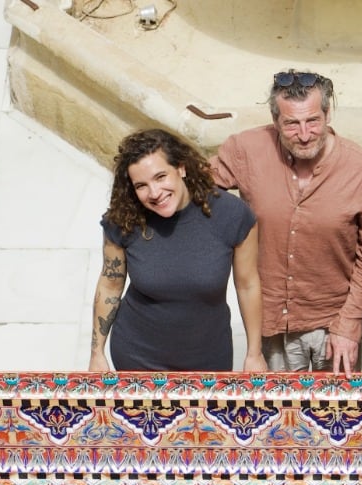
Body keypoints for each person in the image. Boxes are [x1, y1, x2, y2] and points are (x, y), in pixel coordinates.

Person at [210, 70, 362, 373]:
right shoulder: (245, 150)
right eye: (291, 124)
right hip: (270, 326)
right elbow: (190, 190)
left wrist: (350, 324)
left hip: (335, 326)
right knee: (275, 418)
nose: (304, 134)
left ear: (328, 114)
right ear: (275, 120)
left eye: (313, 121)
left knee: (336, 419)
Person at [89, 129, 264, 373]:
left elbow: (248, 285)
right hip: (136, 357)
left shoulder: (231, 215)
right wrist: (97, 353)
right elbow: (110, 285)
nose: (154, 193)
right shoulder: (124, 220)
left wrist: (254, 353)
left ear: (181, 168)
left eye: (160, 177)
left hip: (208, 359)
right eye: (141, 185)